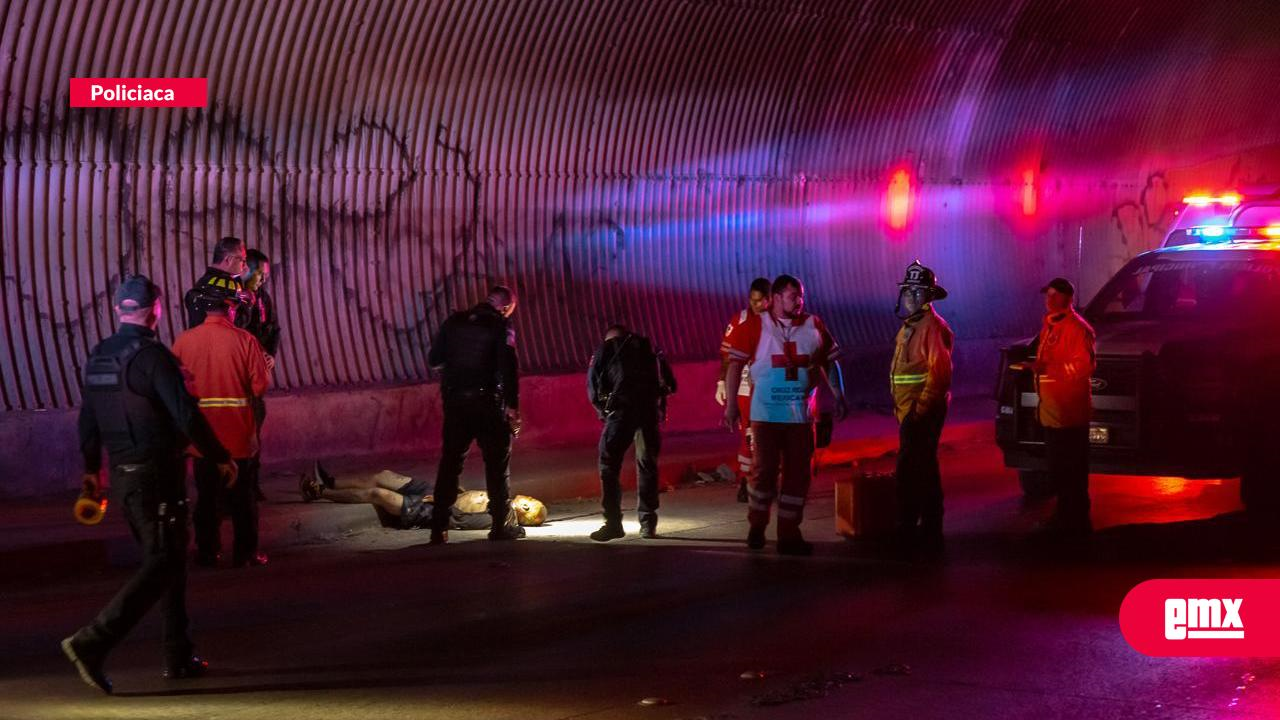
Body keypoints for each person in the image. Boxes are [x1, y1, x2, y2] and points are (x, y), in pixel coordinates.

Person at [63, 275, 237, 694]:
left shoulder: (100, 356)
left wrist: (92, 470)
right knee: (163, 563)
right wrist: (219, 456)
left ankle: (178, 655)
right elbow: (185, 414)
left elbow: (88, 418)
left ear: (118, 309)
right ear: (156, 309)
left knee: (169, 560)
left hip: (124, 480)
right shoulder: (153, 357)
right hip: (157, 477)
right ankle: (92, 641)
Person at [722, 275, 848, 555]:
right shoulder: (754, 326)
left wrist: (839, 395)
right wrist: (731, 405)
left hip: (800, 418)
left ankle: (789, 534)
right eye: (793, 296)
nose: (800, 301)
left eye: (801, 295)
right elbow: (733, 367)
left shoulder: (813, 325)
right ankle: (757, 526)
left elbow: (829, 361)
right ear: (776, 298)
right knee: (763, 472)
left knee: (798, 476)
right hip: (765, 416)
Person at [173, 280, 271, 567]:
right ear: (230, 308)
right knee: (243, 499)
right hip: (239, 435)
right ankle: (246, 553)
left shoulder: (183, 341)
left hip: (202, 437)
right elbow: (259, 387)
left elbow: (175, 385)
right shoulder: (245, 340)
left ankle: (207, 551)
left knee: (206, 497)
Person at [427, 286, 524, 544]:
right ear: (505, 308)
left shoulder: (454, 321)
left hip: (456, 403)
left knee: (450, 463)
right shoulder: (502, 327)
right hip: (487, 405)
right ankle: (500, 526)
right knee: (496, 464)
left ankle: (438, 528)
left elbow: (434, 360)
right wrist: (512, 406)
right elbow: (509, 366)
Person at [586, 324, 677, 540]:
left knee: (608, 464)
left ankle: (613, 522)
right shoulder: (649, 349)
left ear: (609, 338)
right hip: (648, 413)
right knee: (647, 465)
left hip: (621, 412)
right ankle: (648, 523)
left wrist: (603, 413)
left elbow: (592, 387)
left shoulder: (605, 350)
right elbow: (671, 385)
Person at [1020, 277, 1096, 534]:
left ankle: (1074, 523)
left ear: (1067, 298)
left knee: (1071, 472)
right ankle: (1066, 520)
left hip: (1069, 414)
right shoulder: (1051, 326)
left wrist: (1048, 368)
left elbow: (1083, 366)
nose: (1048, 300)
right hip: (1053, 411)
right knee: (1060, 472)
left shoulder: (1077, 329)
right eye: (1047, 295)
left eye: (1054, 295)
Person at [889, 261, 954, 555]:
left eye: (918, 292)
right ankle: (918, 528)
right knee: (917, 469)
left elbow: (939, 374)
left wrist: (920, 409)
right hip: (909, 411)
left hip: (921, 412)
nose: (912, 297)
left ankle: (922, 530)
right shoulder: (910, 327)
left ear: (929, 297)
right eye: (909, 291)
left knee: (916, 470)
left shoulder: (932, 327)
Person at [298, 462, 548, 530]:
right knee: (384, 475)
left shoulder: (498, 518)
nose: (526, 497)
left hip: (429, 508)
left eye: (530, 502)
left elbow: (458, 520)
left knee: (378, 494)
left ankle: (319, 491)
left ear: (524, 510)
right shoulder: (503, 498)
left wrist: (441, 504)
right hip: (438, 494)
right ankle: (332, 481)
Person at [716, 278, 771, 503]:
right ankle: (746, 481)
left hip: (769, 387)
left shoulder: (777, 322)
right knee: (748, 435)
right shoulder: (740, 320)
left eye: (760, 301)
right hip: (745, 386)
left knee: (768, 437)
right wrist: (722, 383)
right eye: (752, 300)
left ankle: (765, 480)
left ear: (770, 300)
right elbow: (728, 357)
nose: (756, 305)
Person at [184, 237, 249, 330]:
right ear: (229, 259)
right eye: (243, 260)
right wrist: (247, 304)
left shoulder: (205, 282)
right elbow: (235, 326)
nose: (245, 266)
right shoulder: (225, 285)